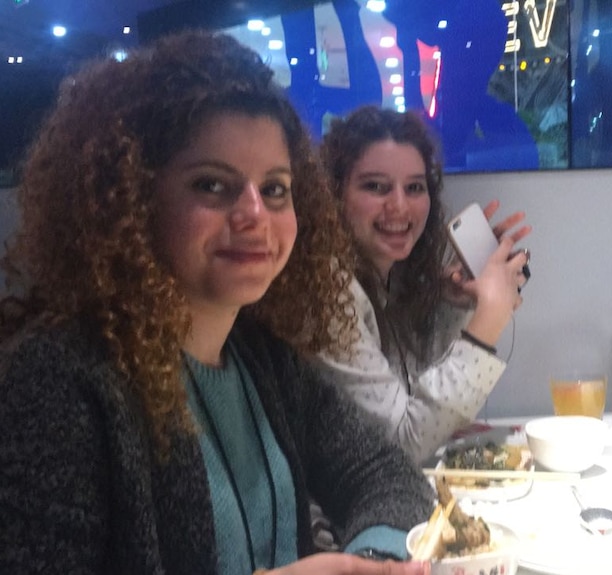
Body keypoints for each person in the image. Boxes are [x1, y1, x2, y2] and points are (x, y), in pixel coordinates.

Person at [0, 30, 435, 575]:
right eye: (212, 185)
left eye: (275, 188)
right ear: (132, 200)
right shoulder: (56, 381)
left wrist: (370, 560)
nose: (254, 214)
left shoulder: (265, 357)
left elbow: (385, 471)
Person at [317, 106, 531, 463]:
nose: (399, 206)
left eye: (414, 187)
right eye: (375, 186)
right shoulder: (329, 292)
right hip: (334, 515)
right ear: (334, 195)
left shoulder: (392, 277)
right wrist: (486, 325)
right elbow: (403, 444)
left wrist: (455, 303)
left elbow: (419, 398)